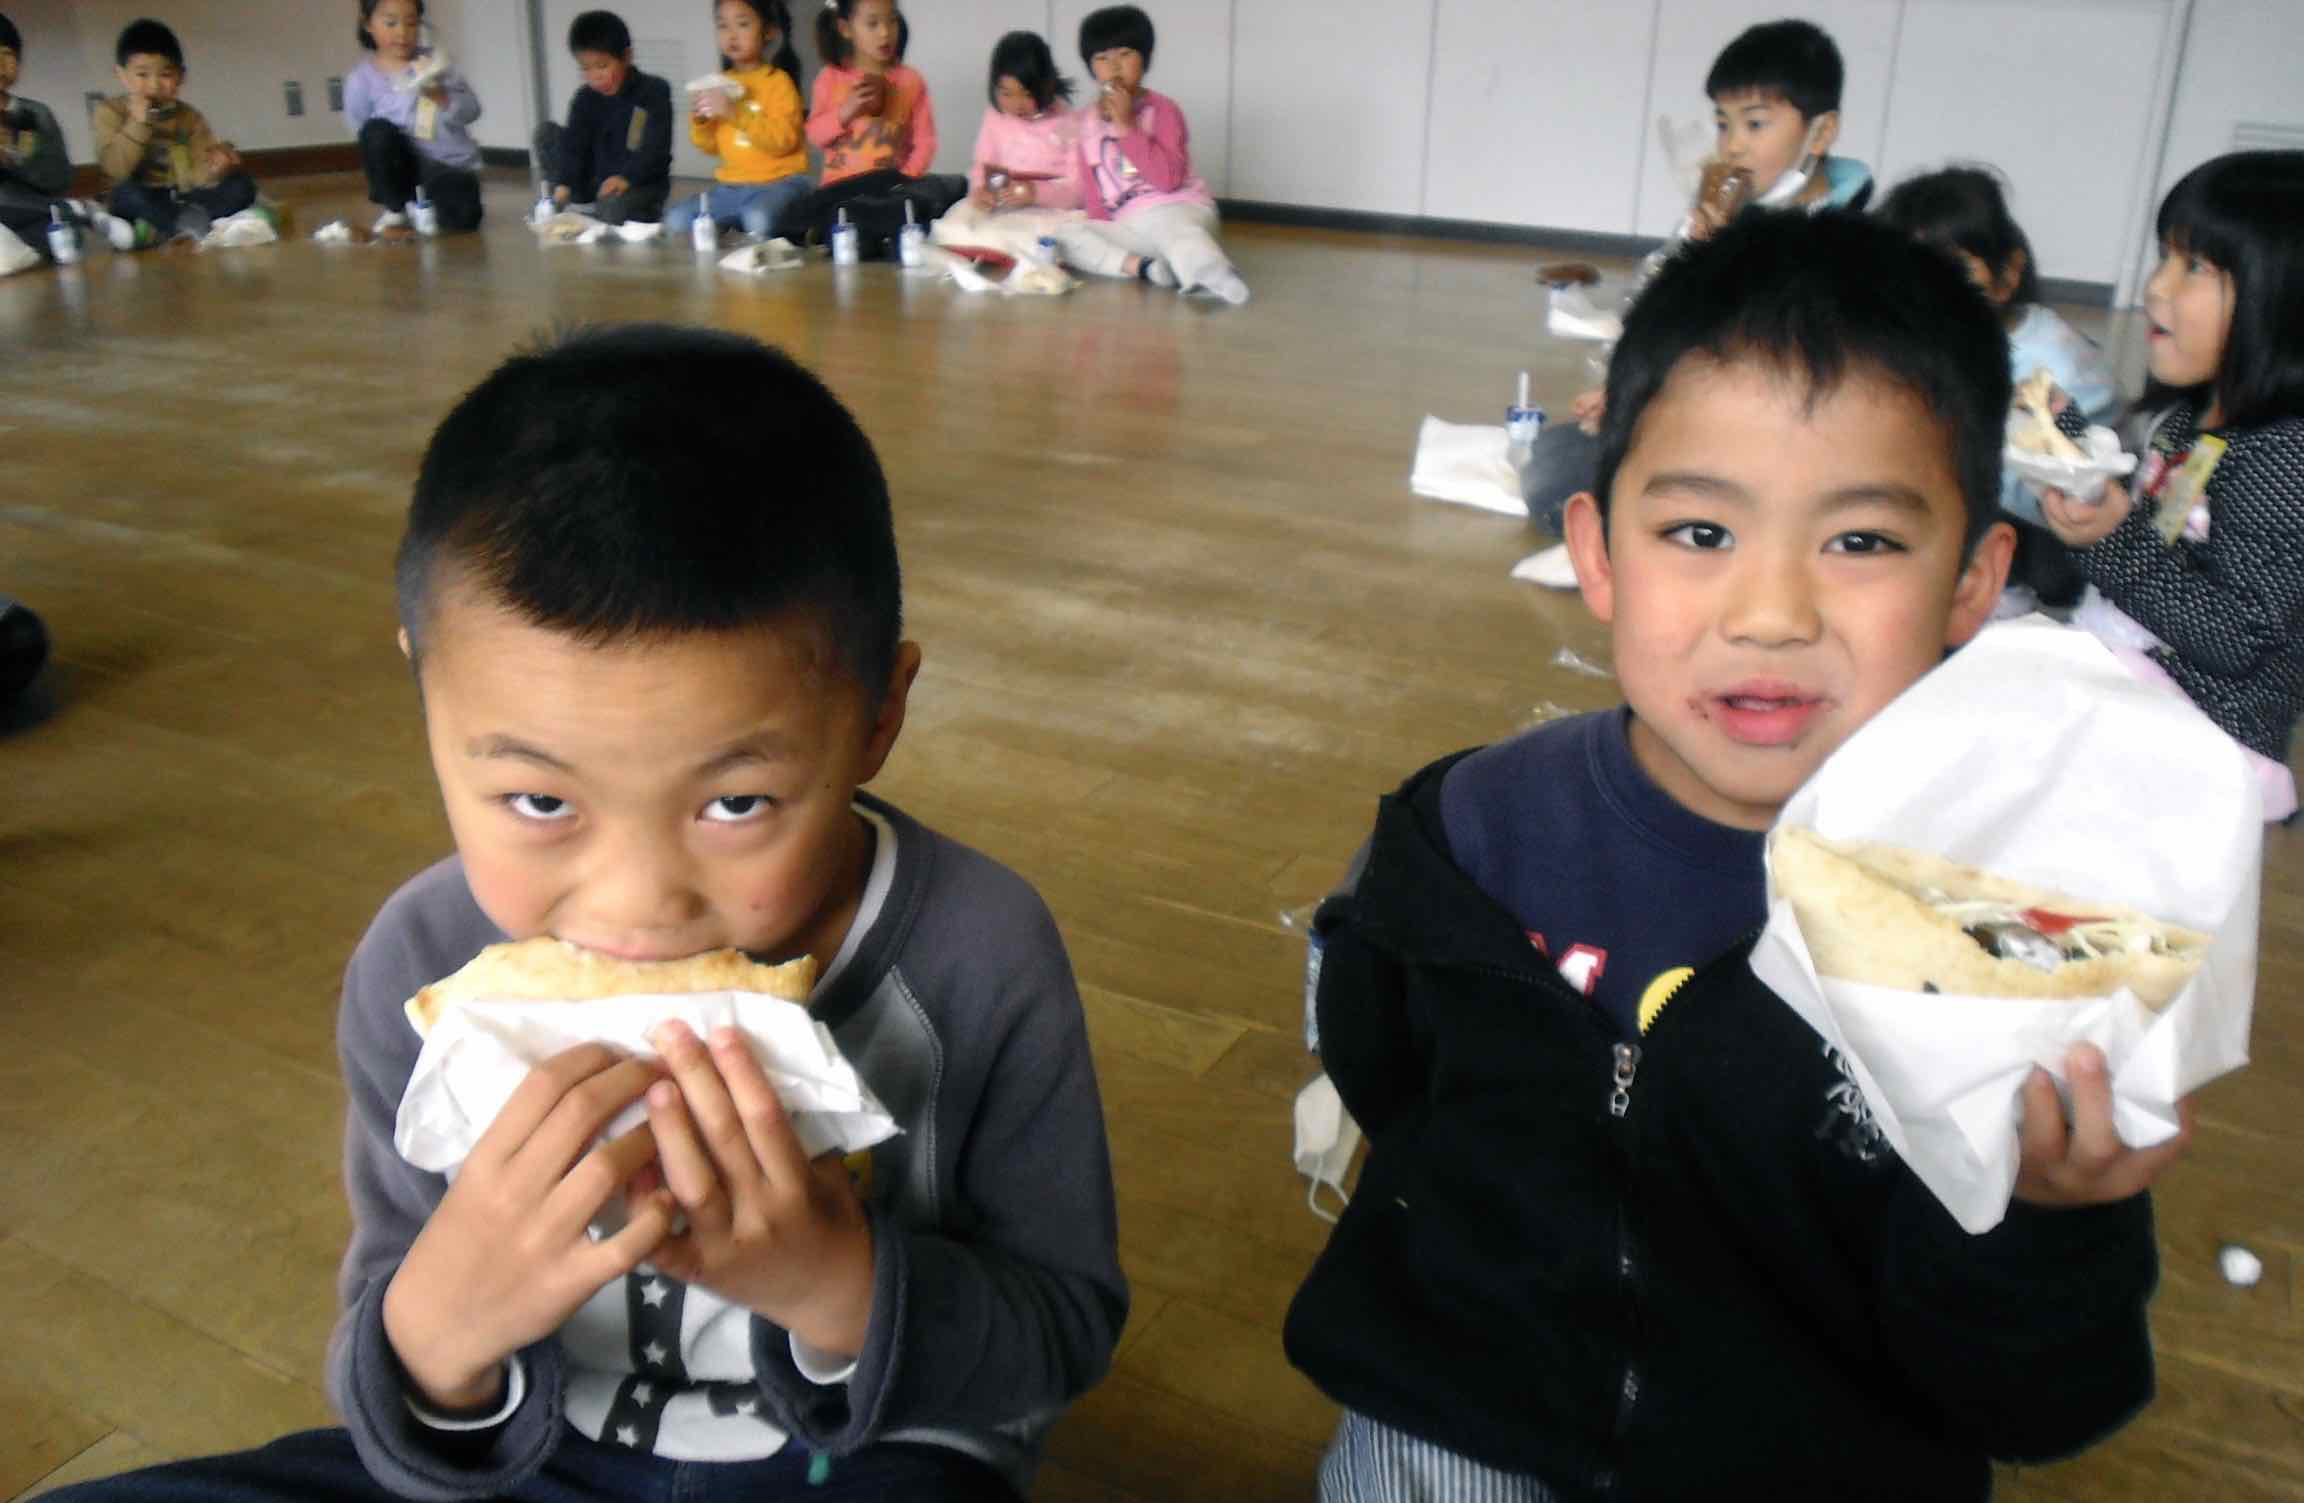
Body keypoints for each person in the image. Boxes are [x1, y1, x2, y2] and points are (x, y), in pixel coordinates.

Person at [44, 326, 1128, 1503]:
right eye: (540, 799)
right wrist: (442, 1332)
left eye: (737, 801)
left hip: (865, 1459)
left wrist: (835, 1281)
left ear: (876, 717)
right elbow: (399, 1372)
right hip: (530, 1465)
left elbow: (1062, 1327)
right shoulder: (423, 965)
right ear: (425, 700)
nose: (636, 905)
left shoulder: (977, 952)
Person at [1287, 211, 2177, 1501]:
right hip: (1468, 1415)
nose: (1771, 614)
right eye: (1700, 533)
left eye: (1862, 541)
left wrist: (2050, 1221)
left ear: (1975, 584)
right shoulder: (1470, 831)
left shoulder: (2003, 941)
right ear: (1598, 553)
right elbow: (1384, 1062)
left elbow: (2034, 1400)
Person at [1519, 18, 1872, 587]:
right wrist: (1694, 251)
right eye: (1722, 123)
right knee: (1555, 463)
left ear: (1822, 132)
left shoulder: (1847, 237)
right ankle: (1665, 529)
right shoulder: (1725, 213)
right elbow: (1646, 312)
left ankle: (1668, 537)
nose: (1733, 144)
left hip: (1780, 438)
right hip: (1693, 422)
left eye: (1756, 124)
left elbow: (1781, 366)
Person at [2037, 150, 2304, 824]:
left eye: (2195, 268)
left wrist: (2113, 543)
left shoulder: (2283, 458)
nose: (2156, 288)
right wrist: (2070, 448)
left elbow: (2238, 636)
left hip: (2200, 754)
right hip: (2133, 702)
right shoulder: (2193, 419)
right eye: (2164, 256)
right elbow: (2160, 546)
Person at [1877, 164, 2121, 612]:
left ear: (2007, 276)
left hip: (2030, 558)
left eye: (1952, 273)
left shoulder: (2055, 368)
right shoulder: (1935, 337)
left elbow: (2068, 497)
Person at [1050, 5, 1248, 306]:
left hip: (1178, 208)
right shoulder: (1086, 122)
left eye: (1125, 54)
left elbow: (1168, 180)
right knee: (1065, 234)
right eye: (1102, 58)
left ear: (1146, 59)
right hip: (1132, 226)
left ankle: (1211, 275)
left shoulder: (1163, 110)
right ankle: (1147, 267)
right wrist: (1101, 229)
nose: (1114, 66)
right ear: (1092, 68)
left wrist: (1126, 126)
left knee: (1169, 224)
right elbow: (1094, 197)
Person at [790, 0, 964, 256]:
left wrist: (906, 177)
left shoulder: (910, 81)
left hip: (891, 190)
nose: (885, 33)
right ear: (846, 28)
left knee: (913, 236)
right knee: (850, 240)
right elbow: (815, 135)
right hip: (842, 191)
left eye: (891, 20)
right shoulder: (831, 78)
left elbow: (925, 141)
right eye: (872, 24)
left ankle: (887, 227)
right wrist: (845, 112)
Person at [90, 18, 258, 244]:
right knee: (126, 194)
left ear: (181, 77)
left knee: (242, 185)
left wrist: (218, 168)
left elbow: (199, 175)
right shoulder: (110, 111)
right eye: (142, 75)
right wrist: (138, 123)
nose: (154, 85)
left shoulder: (189, 117)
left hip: (182, 197)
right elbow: (116, 170)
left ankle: (158, 229)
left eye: (165, 75)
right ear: (122, 75)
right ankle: (186, 225)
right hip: (141, 195)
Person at [928, 30, 1085, 261]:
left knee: (1066, 236)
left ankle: (1017, 251)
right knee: (954, 224)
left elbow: (1078, 189)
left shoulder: (1068, 121)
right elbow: (984, 165)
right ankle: (1003, 249)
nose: (1016, 104)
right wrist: (982, 190)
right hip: (1005, 208)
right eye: (1006, 93)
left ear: (1047, 85)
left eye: (1026, 94)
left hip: (1051, 210)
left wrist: (1036, 193)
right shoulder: (996, 117)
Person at [665, 0, 810, 244]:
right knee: (676, 220)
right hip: (732, 187)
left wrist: (734, 112)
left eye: (742, 24)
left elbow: (783, 141)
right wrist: (701, 121)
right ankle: (733, 228)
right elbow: (709, 146)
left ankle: (769, 228)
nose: (732, 35)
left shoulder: (778, 82)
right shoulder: (719, 83)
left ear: (769, 31)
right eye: (723, 26)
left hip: (780, 183)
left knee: (758, 218)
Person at [0, 13, 143, 259]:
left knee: (60, 239)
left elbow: (59, 178)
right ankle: (77, 211)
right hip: (16, 215)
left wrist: (15, 152)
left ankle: (74, 216)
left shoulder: (34, 114)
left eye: (7, 54)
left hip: (38, 216)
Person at [346, 0, 484, 238]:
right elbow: (362, 131)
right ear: (368, 24)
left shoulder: (438, 65)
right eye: (390, 23)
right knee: (376, 133)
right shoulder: (361, 80)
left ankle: (424, 204)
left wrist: (441, 96)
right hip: (402, 164)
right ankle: (397, 208)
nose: (402, 33)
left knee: (463, 219)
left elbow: (472, 110)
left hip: (446, 165)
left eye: (411, 23)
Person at [534, 9, 674, 228]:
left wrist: (626, 179)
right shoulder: (585, 98)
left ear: (626, 57)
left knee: (613, 208)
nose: (595, 77)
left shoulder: (653, 92)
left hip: (638, 183)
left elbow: (654, 150)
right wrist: (564, 184)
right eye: (585, 68)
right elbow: (574, 146)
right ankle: (577, 202)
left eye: (602, 66)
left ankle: (609, 210)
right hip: (593, 182)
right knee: (547, 133)